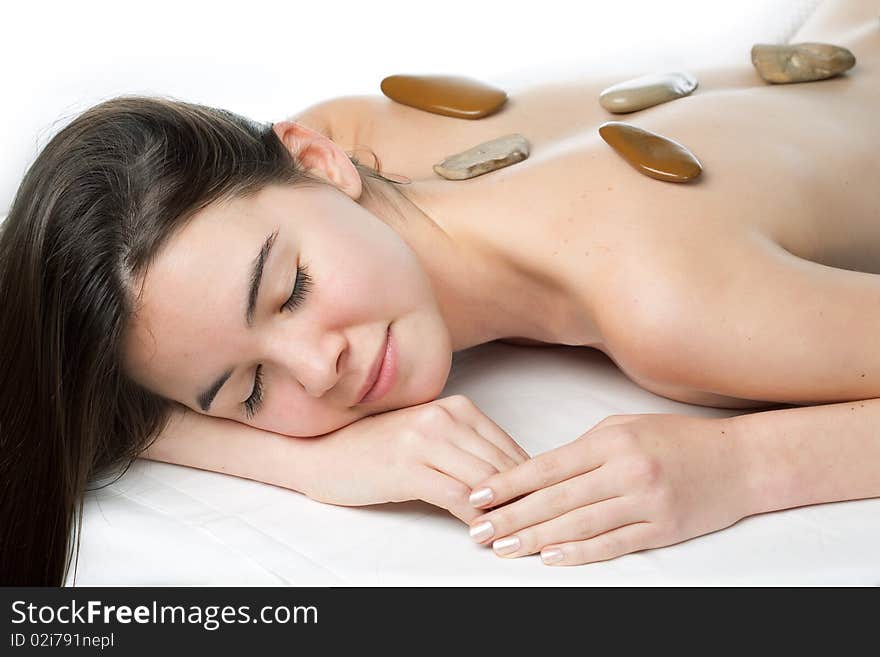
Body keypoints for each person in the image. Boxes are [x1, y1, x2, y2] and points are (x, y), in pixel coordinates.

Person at [2, 0, 878, 585]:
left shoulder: (669, 304)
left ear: (315, 159)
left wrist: (739, 466)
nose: (319, 367)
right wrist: (315, 465)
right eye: (251, 391)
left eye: (290, 291)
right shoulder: (349, 142)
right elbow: (85, 395)